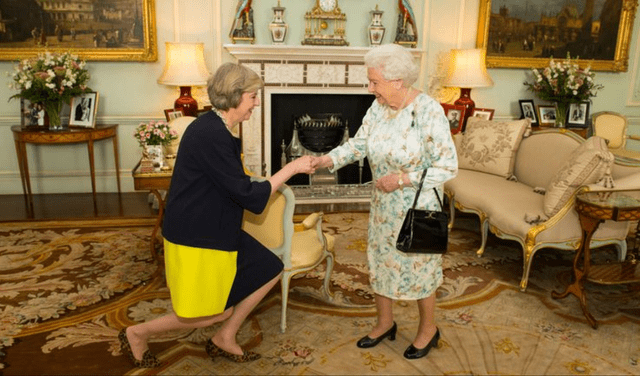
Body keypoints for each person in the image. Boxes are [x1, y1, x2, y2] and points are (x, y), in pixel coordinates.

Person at [118, 62, 317, 368]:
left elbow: (232, 181)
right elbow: (249, 197)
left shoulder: (217, 127)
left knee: (270, 266)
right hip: (197, 234)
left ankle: (225, 337)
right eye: (253, 96)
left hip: (217, 225)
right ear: (236, 97)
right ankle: (137, 333)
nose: (256, 103)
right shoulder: (211, 134)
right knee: (212, 311)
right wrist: (291, 168)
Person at [312, 43, 458, 360]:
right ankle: (384, 323)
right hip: (383, 207)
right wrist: (326, 160)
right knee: (381, 263)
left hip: (417, 207)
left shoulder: (429, 112)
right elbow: (359, 144)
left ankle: (428, 329)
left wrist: (402, 179)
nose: (370, 88)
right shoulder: (378, 108)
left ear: (397, 81)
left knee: (419, 268)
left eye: (374, 82)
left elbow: (447, 166)